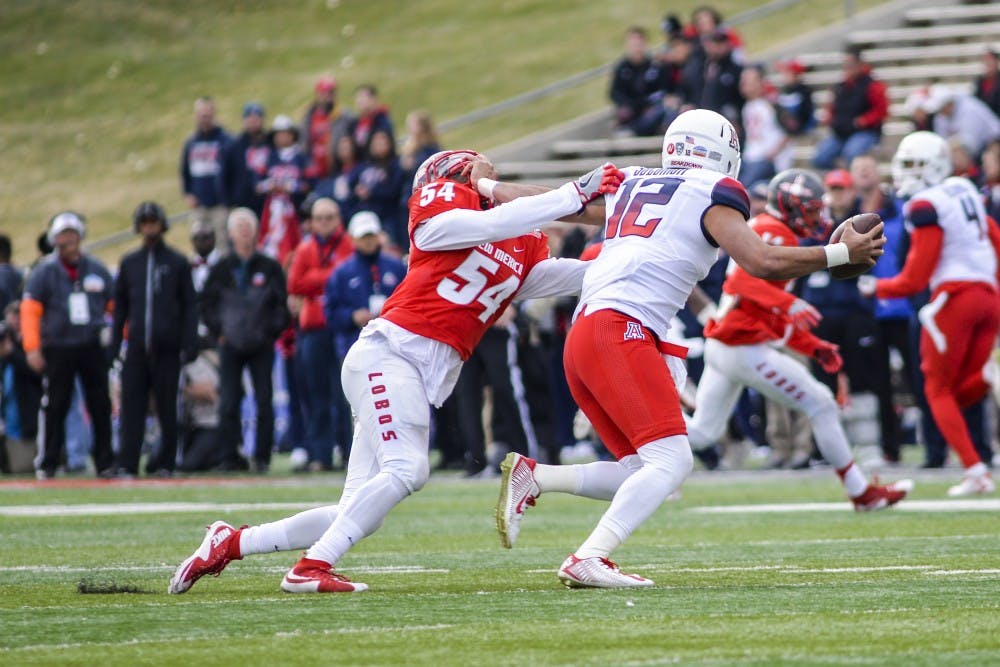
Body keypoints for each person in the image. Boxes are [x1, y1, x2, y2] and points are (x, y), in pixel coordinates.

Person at [167, 149, 623, 595]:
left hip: (407, 369)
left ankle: (231, 542)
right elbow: (494, 222)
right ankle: (311, 566)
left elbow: (566, 276)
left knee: (357, 510)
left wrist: (647, 255)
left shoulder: (516, 241)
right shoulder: (441, 217)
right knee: (408, 469)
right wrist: (573, 192)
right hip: (391, 355)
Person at [494, 110, 893, 588]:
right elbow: (760, 261)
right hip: (622, 328)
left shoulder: (632, 182)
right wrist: (838, 255)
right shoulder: (714, 191)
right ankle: (589, 556)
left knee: (641, 471)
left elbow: (554, 202)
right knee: (672, 461)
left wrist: (491, 191)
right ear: (721, 150)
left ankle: (535, 476)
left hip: (586, 333)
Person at [858, 131, 1000, 495]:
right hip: (987, 295)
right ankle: (988, 378)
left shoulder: (924, 205)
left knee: (935, 388)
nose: (906, 173)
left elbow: (914, 279)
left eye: (913, 165)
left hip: (953, 299)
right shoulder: (964, 189)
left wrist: (877, 287)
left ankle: (975, 471)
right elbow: (994, 238)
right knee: (960, 391)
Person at [21, 212, 116, 480]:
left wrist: (116, 337)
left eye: (71, 236)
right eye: (62, 237)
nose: (68, 242)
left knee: (100, 404)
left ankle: (104, 461)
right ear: (55, 240)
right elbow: (30, 311)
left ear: (80, 237)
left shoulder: (96, 268)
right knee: (56, 405)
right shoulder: (44, 272)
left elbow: (115, 306)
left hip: (91, 344)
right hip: (58, 346)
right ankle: (48, 461)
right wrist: (32, 347)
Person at [112, 202, 199, 478]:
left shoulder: (177, 262)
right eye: (145, 222)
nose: (150, 227)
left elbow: (189, 305)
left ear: (162, 224)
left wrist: (189, 340)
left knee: (167, 407)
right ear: (139, 226)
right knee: (132, 407)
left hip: (168, 347)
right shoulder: (129, 263)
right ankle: (128, 462)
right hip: (137, 347)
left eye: (154, 221)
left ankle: (165, 462)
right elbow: (120, 309)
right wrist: (114, 344)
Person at [200, 208, 290, 473]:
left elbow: (281, 305)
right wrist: (220, 330)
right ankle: (230, 456)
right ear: (229, 233)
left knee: (264, 399)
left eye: (248, 226)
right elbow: (206, 304)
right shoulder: (221, 268)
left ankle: (262, 456)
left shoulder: (269, 266)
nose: (243, 231)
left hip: (260, 343)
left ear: (256, 231)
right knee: (228, 400)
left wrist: (269, 332)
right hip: (230, 343)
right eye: (238, 226)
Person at [324, 211, 407, 463]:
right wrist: (352, 317)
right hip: (354, 347)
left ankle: (396, 455)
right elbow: (330, 313)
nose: (368, 241)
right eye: (363, 237)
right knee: (357, 407)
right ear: (353, 239)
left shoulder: (396, 266)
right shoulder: (342, 272)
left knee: (395, 402)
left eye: (371, 235)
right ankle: (356, 457)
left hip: (392, 348)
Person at [286, 198, 354, 472]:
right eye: (320, 218)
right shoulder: (305, 248)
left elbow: (347, 278)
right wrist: (327, 277)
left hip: (341, 329)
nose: (324, 222)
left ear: (338, 219)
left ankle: (350, 454)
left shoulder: (348, 244)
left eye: (329, 217)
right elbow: (294, 283)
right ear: (312, 221)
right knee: (316, 394)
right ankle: (321, 455)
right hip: (313, 329)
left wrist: (315, 279)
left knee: (345, 395)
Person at [812, 49, 888, 170]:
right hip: (840, 132)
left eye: (850, 65)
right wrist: (830, 118)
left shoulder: (872, 85)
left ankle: (850, 181)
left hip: (864, 132)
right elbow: (831, 108)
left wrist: (863, 121)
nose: (847, 68)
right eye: (845, 65)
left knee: (851, 154)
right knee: (820, 158)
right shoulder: (839, 87)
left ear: (859, 65)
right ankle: (839, 179)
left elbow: (882, 111)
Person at [180, 97, 231, 245]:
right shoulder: (191, 143)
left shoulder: (225, 140)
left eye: (208, 115)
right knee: (199, 244)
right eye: (202, 115)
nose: (205, 119)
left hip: (220, 206)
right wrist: (188, 193)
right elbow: (185, 171)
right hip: (199, 206)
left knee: (222, 245)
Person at [257, 115, 307, 267]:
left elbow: (309, 184)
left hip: (296, 213)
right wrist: (270, 186)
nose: (282, 137)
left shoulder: (301, 157)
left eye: (285, 133)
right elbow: (257, 185)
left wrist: (290, 187)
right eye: (278, 134)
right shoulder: (269, 157)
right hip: (272, 211)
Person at [609, 26, 668, 137]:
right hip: (631, 110)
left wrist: (648, 104)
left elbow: (661, 91)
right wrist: (626, 106)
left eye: (638, 44)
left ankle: (633, 131)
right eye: (632, 44)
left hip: (650, 110)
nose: (636, 48)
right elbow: (615, 92)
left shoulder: (655, 66)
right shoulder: (622, 68)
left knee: (657, 113)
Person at [738, 64, 791, 186]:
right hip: (750, 158)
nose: (744, 84)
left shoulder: (773, 105)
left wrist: (772, 154)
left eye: (749, 81)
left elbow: (789, 132)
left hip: (768, 161)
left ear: (761, 82)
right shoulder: (747, 106)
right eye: (743, 81)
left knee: (743, 185)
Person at [355, 129, 406, 249]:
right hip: (368, 215)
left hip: (390, 217)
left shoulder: (396, 165)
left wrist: (371, 193)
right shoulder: (365, 167)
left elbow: (394, 190)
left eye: (382, 143)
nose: (379, 147)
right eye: (376, 143)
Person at [920, 85, 1000, 160]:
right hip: (975, 150)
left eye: (941, 109)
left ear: (948, 104)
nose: (940, 113)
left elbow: (972, 144)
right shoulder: (941, 115)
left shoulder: (970, 110)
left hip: (992, 143)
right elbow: (941, 140)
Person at [224, 102, 271, 218]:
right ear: (244, 120)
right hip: (243, 204)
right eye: (250, 117)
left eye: (257, 117)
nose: (253, 121)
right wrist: (230, 202)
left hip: (268, 202)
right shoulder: (234, 146)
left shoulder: (271, 143)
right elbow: (224, 176)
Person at [775, 59, 815, 137]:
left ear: (796, 75)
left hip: (802, 129)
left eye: (787, 73)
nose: (784, 76)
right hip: (786, 130)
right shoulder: (783, 91)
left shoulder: (804, 91)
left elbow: (806, 113)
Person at [351, 84, 394, 151]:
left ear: (374, 99)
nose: (359, 100)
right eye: (357, 97)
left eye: (363, 97)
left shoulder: (382, 121)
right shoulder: (355, 122)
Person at [974, 48, 1000, 118]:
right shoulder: (979, 81)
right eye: (985, 60)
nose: (988, 63)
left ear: (996, 61)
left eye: (990, 60)